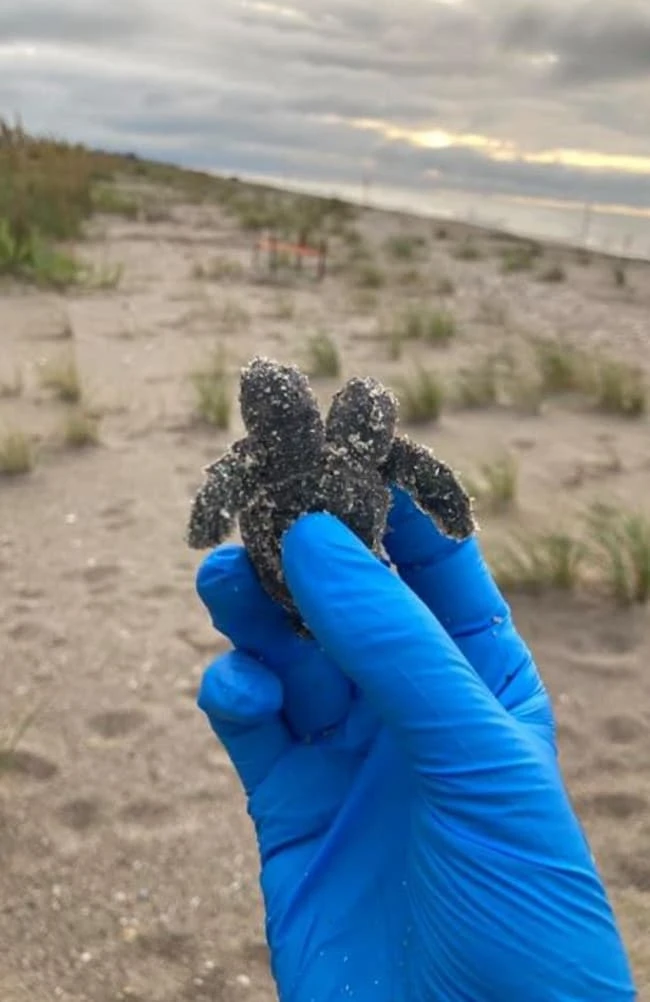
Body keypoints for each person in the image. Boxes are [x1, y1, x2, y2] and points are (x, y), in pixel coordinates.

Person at [194, 486, 637, 1002]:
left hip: (307, 589)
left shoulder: (265, 469)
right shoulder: (283, 467)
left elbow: (229, 487)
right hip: (308, 590)